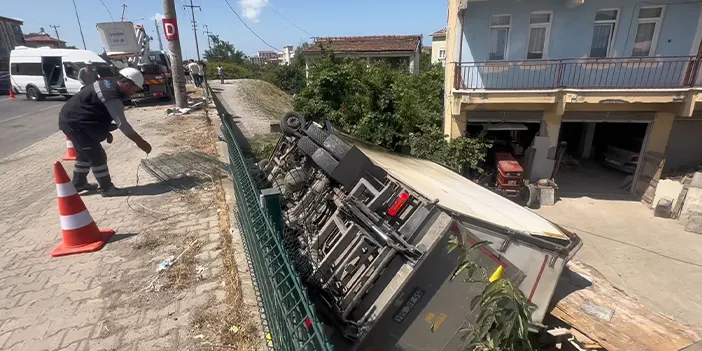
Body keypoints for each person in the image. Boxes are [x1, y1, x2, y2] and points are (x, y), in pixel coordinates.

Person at [58, 67, 152, 197]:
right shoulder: (111, 97)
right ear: (127, 84)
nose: (133, 93)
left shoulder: (107, 84)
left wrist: (105, 130)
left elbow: (95, 110)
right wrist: (141, 142)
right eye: (134, 89)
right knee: (97, 155)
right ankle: (107, 189)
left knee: (85, 155)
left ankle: (78, 184)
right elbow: (123, 124)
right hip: (75, 123)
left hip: (74, 120)